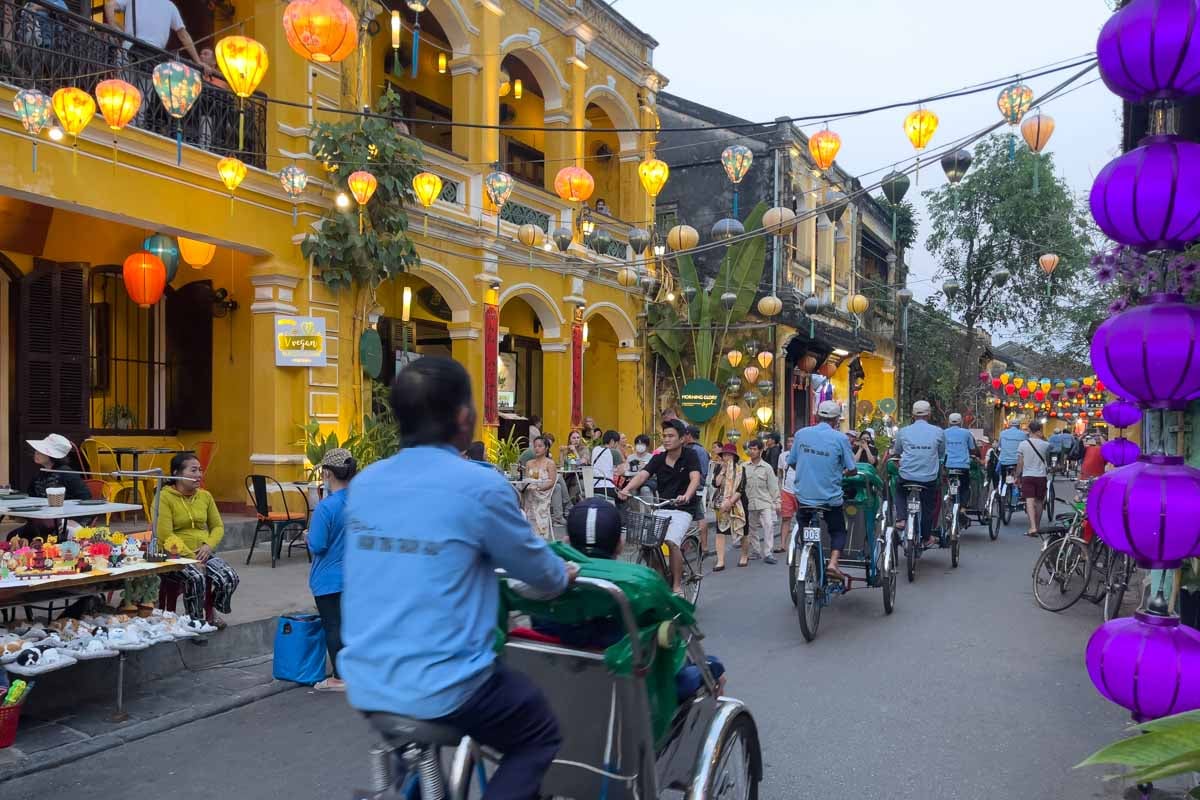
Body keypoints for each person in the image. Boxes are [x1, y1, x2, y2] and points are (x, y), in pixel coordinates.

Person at [340, 357, 576, 798]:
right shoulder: (480, 486)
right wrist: (561, 575)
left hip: (368, 681)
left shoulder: (366, 484)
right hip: (449, 686)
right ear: (464, 418)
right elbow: (540, 574)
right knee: (537, 732)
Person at [535, 498, 726, 697]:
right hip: (632, 700)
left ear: (566, 542)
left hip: (558, 695)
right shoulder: (641, 592)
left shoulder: (538, 593)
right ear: (619, 545)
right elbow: (670, 668)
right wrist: (713, 668)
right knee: (711, 670)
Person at [617, 419, 702, 595]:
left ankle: (677, 586)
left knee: (671, 541)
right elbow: (642, 475)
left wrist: (686, 495)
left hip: (683, 508)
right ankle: (662, 578)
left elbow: (695, 478)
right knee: (648, 543)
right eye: (664, 436)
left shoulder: (690, 456)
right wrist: (626, 489)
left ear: (681, 439)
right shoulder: (659, 458)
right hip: (662, 506)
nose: (666, 439)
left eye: (671, 436)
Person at [156, 453, 239, 626]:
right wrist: (190, 557)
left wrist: (208, 546)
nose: (199, 475)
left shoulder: (205, 497)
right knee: (196, 578)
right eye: (193, 470)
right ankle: (196, 622)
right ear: (177, 473)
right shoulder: (164, 497)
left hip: (203, 552)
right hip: (175, 555)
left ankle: (210, 609)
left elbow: (218, 526)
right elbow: (164, 534)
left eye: (200, 470)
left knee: (230, 577)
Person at [788, 401, 857, 578]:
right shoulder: (840, 438)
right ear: (835, 420)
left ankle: (807, 551)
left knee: (803, 523)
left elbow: (793, 462)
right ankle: (833, 563)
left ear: (817, 416)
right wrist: (840, 473)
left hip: (804, 497)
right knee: (838, 530)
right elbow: (852, 469)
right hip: (829, 499)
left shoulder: (801, 434)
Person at [306, 448, 354, 692]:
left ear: (326, 473)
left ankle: (339, 677)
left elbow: (318, 545)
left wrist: (307, 536)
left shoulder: (327, 508)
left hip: (329, 577)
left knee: (333, 626)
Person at [891, 400, 946, 551]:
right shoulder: (938, 432)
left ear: (913, 415)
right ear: (929, 414)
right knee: (928, 507)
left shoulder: (903, 431)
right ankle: (927, 538)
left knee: (899, 490)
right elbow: (941, 454)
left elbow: (897, 452)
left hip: (907, 476)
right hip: (928, 479)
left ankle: (901, 518)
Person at [103, 0, 208, 66]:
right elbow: (183, 35)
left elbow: (109, 6)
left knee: (125, 94)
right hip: (153, 57)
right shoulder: (170, 6)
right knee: (144, 97)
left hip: (128, 51)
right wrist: (198, 61)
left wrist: (115, 29)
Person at [743, 438, 781, 564]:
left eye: (755, 449)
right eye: (751, 449)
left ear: (760, 451)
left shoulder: (767, 468)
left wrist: (777, 502)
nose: (752, 451)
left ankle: (768, 553)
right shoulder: (743, 466)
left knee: (768, 525)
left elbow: (773, 486)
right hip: (749, 502)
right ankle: (756, 551)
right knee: (752, 528)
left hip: (765, 501)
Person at [710, 444, 745, 570]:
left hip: (738, 502)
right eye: (724, 455)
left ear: (734, 456)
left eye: (729, 455)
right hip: (721, 502)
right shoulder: (719, 468)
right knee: (720, 531)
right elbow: (716, 484)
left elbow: (741, 488)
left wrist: (730, 502)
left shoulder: (741, 469)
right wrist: (723, 471)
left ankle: (744, 555)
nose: (726, 457)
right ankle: (720, 561)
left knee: (743, 531)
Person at [26, 434, 89, 501]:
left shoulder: (67, 473)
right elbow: (31, 495)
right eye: (37, 450)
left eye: (41, 451)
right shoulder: (40, 473)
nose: (36, 453)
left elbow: (85, 496)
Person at [1017, 420, 1052, 535]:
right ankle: (1037, 525)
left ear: (1029, 430)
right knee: (1039, 502)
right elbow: (1050, 449)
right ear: (1039, 431)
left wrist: (1017, 475)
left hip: (1027, 476)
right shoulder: (1045, 444)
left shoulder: (1022, 444)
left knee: (1029, 501)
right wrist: (1043, 437)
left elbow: (1020, 462)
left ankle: (1032, 527)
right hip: (1041, 476)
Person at [943, 412, 980, 515]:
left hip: (948, 465)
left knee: (947, 484)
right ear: (961, 422)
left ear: (949, 422)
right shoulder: (966, 433)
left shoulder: (944, 433)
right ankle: (963, 508)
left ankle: (949, 496)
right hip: (963, 466)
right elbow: (972, 449)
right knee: (965, 486)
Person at [522, 436, 558, 539]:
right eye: (535, 446)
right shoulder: (529, 463)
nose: (537, 448)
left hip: (542, 494)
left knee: (534, 501)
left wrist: (539, 488)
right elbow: (527, 480)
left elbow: (551, 481)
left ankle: (539, 536)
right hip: (530, 493)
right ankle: (527, 535)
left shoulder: (550, 463)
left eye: (540, 446)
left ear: (546, 448)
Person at [683, 425, 711, 555]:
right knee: (698, 517)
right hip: (696, 488)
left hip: (692, 489)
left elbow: (701, 473)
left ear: (688, 435)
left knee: (697, 517)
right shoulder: (702, 450)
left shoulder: (691, 451)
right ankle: (702, 546)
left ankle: (700, 547)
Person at [590, 430, 625, 503]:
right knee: (624, 497)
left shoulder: (595, 449)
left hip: (592, 487)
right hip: (606, 488)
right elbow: (622, 471)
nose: (617, 445)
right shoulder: (614, 452)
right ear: (612, 441)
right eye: (617, 443)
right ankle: (619, 514)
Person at [778, 434, 798, 553]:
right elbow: (780, 473)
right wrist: (779, 488)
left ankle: (801, 543)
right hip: (786, 490)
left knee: (802, 519)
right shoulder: (782, 456)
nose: (790, 443)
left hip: (801, 491)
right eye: (788, 441)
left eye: (792, 441)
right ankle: (782, 544)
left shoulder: (803, 455)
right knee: (786, 518)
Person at [996, 418, 1028, 490]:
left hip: (1004, 461)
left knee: (1003, 477)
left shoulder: (1002, 433)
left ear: (1009, 425)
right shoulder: (1023, 434)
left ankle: (1001, 489)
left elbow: (999, 446)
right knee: (1021, 475)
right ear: (1019, 426)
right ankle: (1020, 487)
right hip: (1017, 462)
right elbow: (1026, 447)